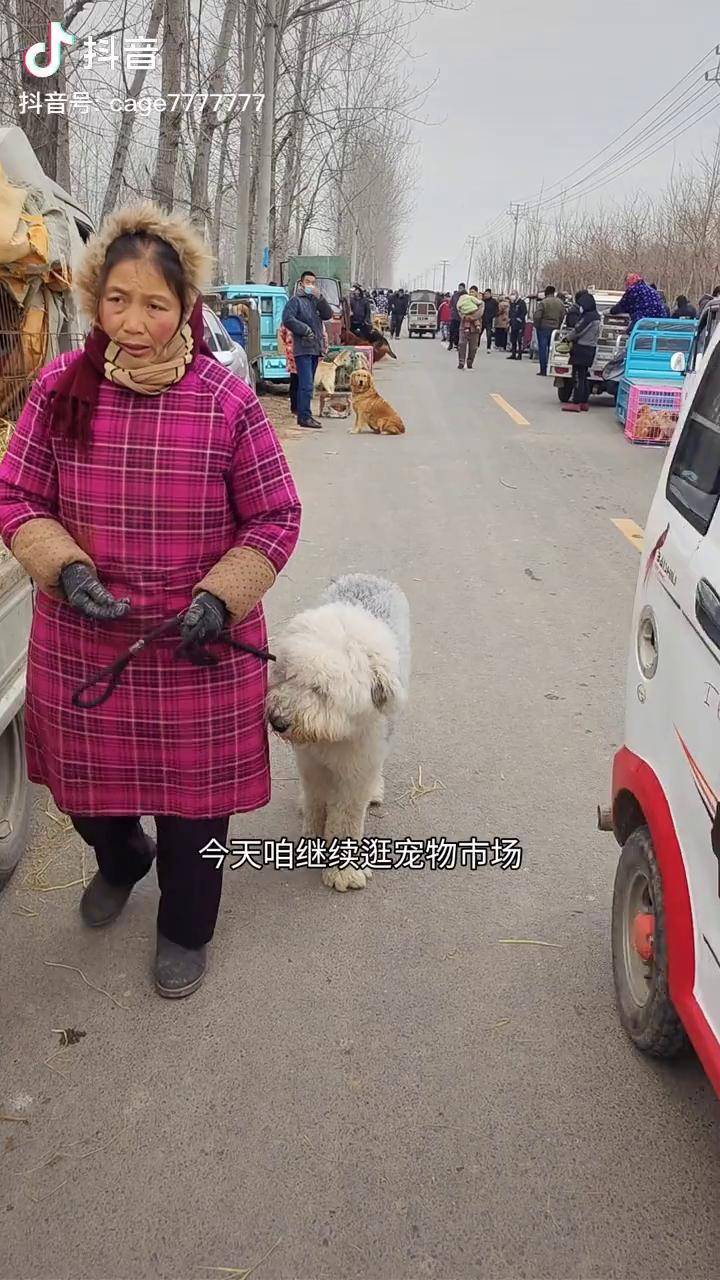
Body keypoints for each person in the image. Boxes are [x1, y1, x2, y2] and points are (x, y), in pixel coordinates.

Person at [0, 202, 302, 998]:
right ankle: (120, 856)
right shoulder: (62, 388)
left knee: (195, 817)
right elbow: (18, 495)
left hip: (197, 646)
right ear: (94, 299)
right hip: (85, 639)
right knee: (88, 799)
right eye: (117, 300)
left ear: (186, 309)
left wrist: (221, 597)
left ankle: (185, 927)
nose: (134, 322)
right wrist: (62, 567)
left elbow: (275, 514)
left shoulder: (225, 402)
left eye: (156, 304)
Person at [281, 269, 332, 429]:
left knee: (309, 384)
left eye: (313, 282)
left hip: (315, 348)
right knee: (306, 385)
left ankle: (305, 414)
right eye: (307, 282)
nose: (310, 285)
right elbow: (287, 319)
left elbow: (328, 315)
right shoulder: (296, 301)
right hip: (302, 347)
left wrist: (321, 298)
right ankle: (304, 416)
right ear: (301, 283)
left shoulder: (316, 301)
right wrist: (304, 330)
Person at [561, 290, 601, 413]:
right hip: (590, 349)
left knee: (577, 376)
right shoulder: (596, 316)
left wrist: (566, 339)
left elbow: (578, 331)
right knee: (584, 377)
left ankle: (576, 402)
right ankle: (584, 402)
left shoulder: (588, 317)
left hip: (581, 349)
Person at [533, 285, 566, 376]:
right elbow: (563, 316)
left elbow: (537, 316)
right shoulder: (560, 303)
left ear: (546, 293)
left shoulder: (543, 302)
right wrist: (558, 326)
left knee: (543, 349)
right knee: (553, 349)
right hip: (555, 328)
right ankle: (551, 368)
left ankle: (543, 370)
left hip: (543, 328)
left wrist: (537, 325)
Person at [456, 286, 484, 369]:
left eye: (473, 292)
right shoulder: (464, 300)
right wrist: (464, 317)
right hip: (464, 325)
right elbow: (460, 310)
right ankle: (461, 362)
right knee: (461, 344)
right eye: (470, 291)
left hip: (476, 327)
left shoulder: (480, 303)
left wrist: (472, 317)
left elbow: (480, 313)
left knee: (473, 347)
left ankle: (470, 362)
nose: (471, 293)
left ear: (476, 293)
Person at [507, 292, 527, 360]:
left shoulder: (522, 302)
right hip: (513, 324)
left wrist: (520, 318)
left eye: (513, 295)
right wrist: (509, 320)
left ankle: (519, 354)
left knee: (519, 340)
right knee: (513, 339)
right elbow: (510, 312)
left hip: (520, 324)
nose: (512, 296)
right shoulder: (512, 303)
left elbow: (524, 312)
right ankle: (513, 353)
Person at [448, 283, 465, 351]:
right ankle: (450, 344)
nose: (460, 289)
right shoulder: (455, 295)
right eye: (459, 288)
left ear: (464, 288)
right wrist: (452, 309)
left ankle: (458, 344)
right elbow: (451, 304)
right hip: (454, 316)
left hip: (461, 316)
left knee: (459, 332)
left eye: (461, 288)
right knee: (451, 330)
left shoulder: (466, 296)